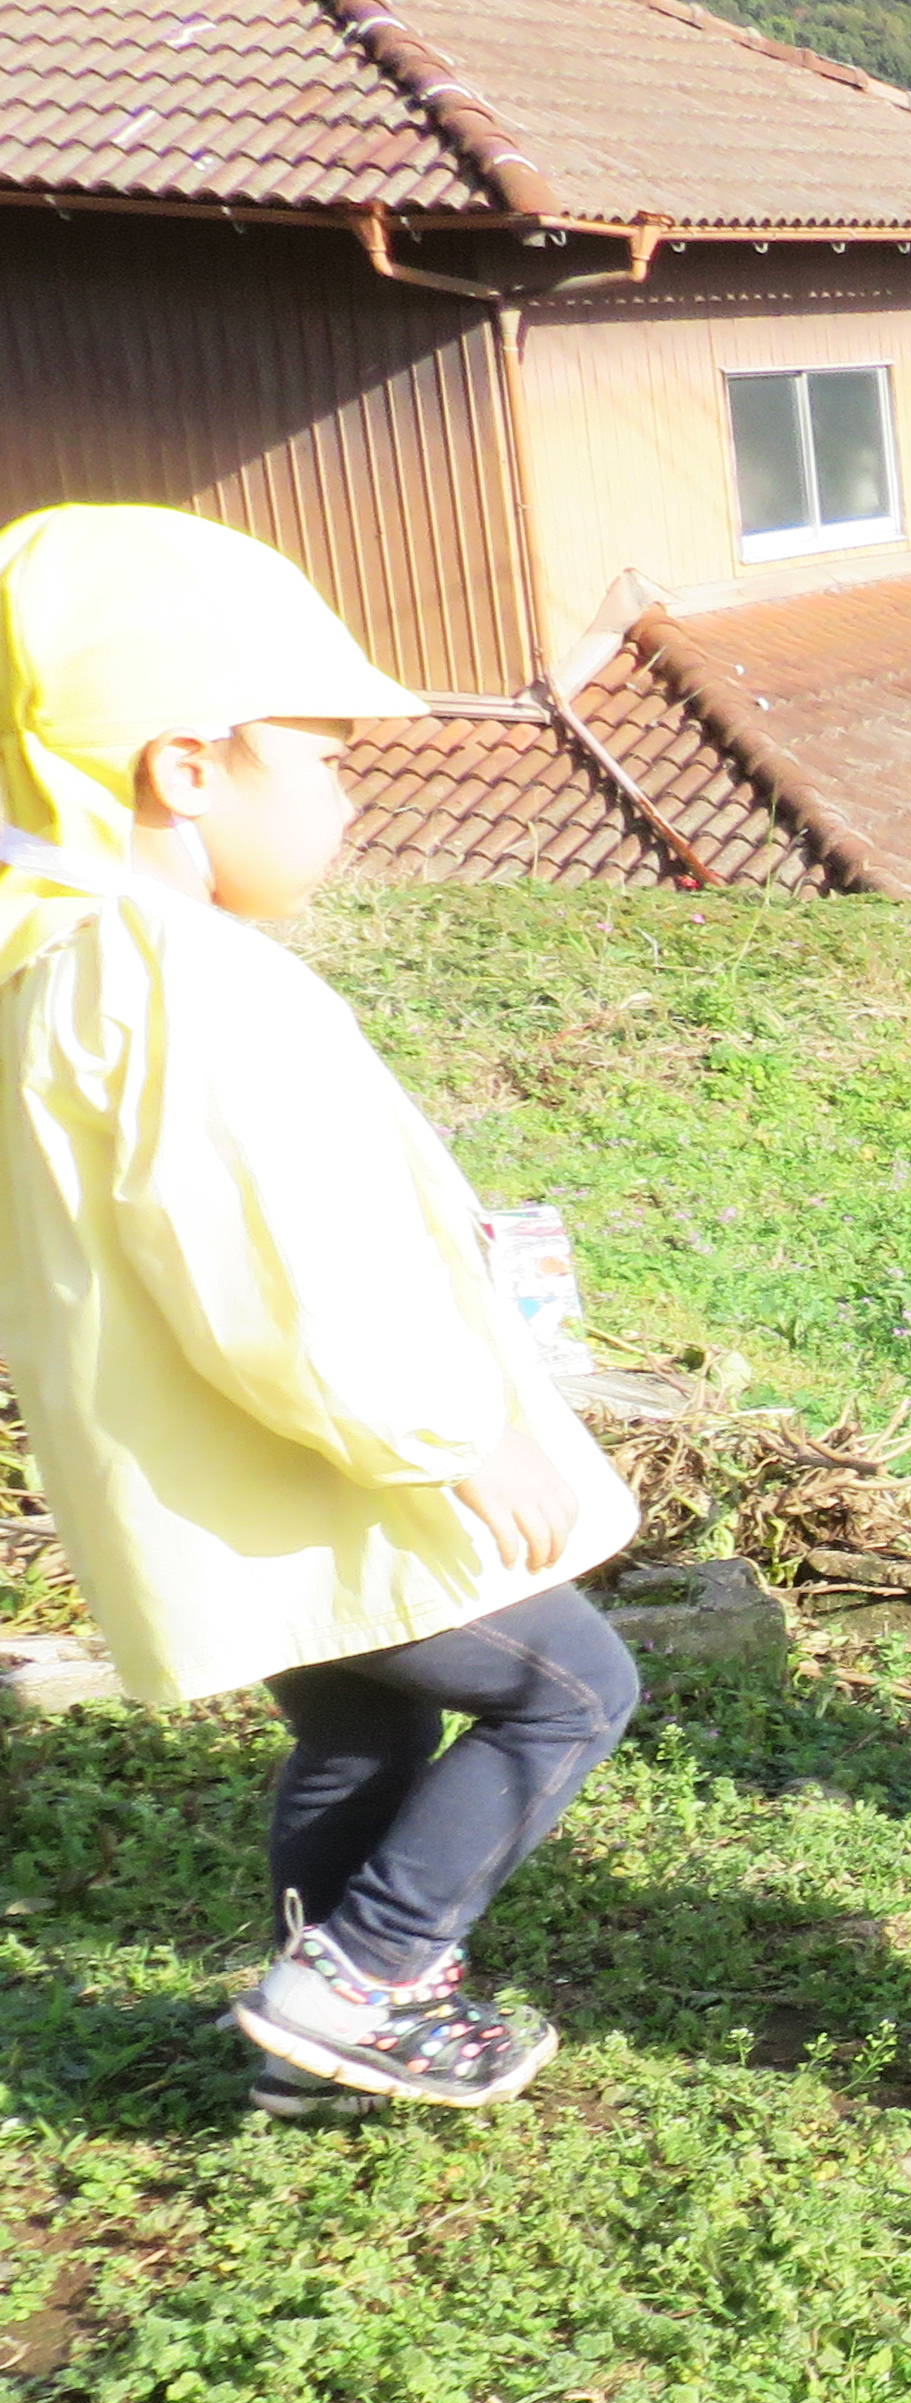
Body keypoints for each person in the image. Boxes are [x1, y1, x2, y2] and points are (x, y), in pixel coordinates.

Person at [0, 506, 641, 2111]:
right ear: (186, 770)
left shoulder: (64, 965)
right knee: (568, 1689)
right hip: (333, 1465)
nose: (347, 798)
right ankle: (361, 1977)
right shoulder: (170, 976)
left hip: (241, 1482)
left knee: (358, 1735)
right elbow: (270, 1258)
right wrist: (450, 1431)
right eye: (325, 758)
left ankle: (313, 2040)